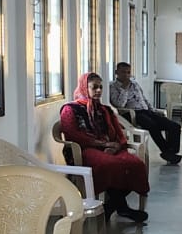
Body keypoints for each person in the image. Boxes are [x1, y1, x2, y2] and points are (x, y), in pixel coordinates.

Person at [58, 72, 149, 222]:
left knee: (135, 165)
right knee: (109, 165)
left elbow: (119, 132)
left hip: (111, 148)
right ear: (84, 87)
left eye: (100, 87)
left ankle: (110, 207)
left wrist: (117, 146)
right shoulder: (70, 109)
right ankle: (122, 208)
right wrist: (103, 144)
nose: (99, 90)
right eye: (94, 87)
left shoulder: (104, 109)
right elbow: (73, 135)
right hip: (84, 150)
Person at [108, 62, 182, 163]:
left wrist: (153, 110)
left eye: (128, 72)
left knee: (174, 126)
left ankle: (171, 152)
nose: (126, 75)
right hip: (132, 113)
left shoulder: (134, 84)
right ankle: (166, 151)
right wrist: (124, 88)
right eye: (123, 72)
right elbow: (119, 104)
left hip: (146, 111)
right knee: (152, 126)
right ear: (116, 72)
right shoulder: (113, 86)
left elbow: (144, 99)